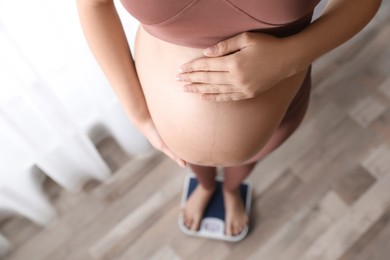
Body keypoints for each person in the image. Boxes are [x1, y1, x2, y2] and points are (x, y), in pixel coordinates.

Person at [76, 0, 381, 237]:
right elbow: (93, 4)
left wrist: (288, 58)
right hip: (171, 132)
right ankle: (206, 186)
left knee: (250, 157)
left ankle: (232, 188)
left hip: (279, 106)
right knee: (190, 159)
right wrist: (140, 114)